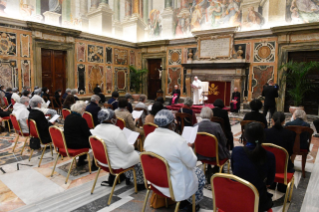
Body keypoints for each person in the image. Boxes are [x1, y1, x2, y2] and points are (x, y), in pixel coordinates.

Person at [144, 109, 205, 211]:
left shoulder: (149, 137)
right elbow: (192, 163)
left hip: (155, 181)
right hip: (174, 186)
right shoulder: (178, 140)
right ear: (172, 124)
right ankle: (190, 204)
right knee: (199, 172)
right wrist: (188, 147)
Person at [91, 109, 145, 189]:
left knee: (131, 155)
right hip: (116, 162)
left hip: (104, 161)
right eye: (114, 117)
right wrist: (131, 144)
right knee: (140, 155)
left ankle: (128, 177)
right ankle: (140, 184)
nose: (116, 118)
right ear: (111, 119)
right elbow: (127, 149)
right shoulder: (115, 131)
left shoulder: (96, 128)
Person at [231, 122, 276, 212]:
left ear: (245, 136)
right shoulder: (270, 156)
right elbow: (269, 182)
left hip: (236, 196)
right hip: (257, 200)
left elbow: (234, 172)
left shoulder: (236, 151)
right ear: (263, 137)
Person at [265, 112, 295, 192]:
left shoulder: (265, 132)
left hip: (267, 165)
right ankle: (282, 187)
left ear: (272, 120)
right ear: (284, 121)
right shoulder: (289, 134)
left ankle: (271, 183)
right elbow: (290, 151)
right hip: (283, 166)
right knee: (289, 164)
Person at [64, 101, 97, 169]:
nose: (85, 111)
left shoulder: (67, 117)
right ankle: (94, 165)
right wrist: (94, 136)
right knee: (95, 143)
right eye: (84, 109)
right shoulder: (81, 120)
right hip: (76, 144)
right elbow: (87, 134)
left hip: (67, 142)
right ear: (81, 109)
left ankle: (81, 161)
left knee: (83, 139)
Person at [196, 107, 230, 174]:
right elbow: (224, 142)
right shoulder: (216, 126)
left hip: (201, 155)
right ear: (211, 115)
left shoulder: (195, 126)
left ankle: (209, 168)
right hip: (216, 156)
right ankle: (216, 168)